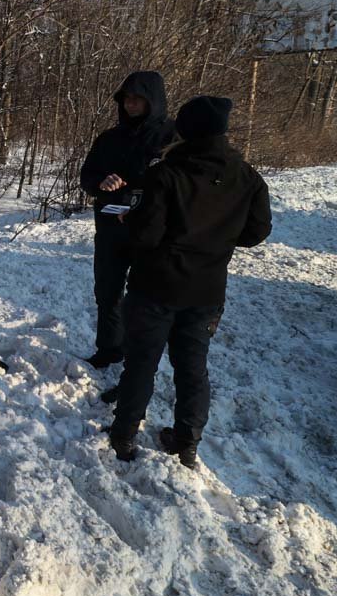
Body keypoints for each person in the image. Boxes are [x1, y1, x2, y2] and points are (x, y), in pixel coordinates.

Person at [109, 96, 272, 467]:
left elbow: (146, 234)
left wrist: (127, 221)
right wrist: (220, 236)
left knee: (141, 363)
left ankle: (124, 436)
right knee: (193, 368)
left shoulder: (166, 174)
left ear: (185, 131)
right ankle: (186, 442)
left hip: (156, 286)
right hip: (207, 290)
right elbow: (256, 232)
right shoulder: (246, 176)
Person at [79, 71, 175, 372]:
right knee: (107, 291)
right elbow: (87, 176)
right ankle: (108, 348)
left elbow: (181, 185)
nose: (131, 105)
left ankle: (139, 362)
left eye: (137, 99)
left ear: (153, 100)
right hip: (110, 228)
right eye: (126, 100)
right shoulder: (109, 138)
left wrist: (143, 189)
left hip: (151, 231)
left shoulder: (171, 137)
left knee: (144, 299)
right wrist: (101, 183)